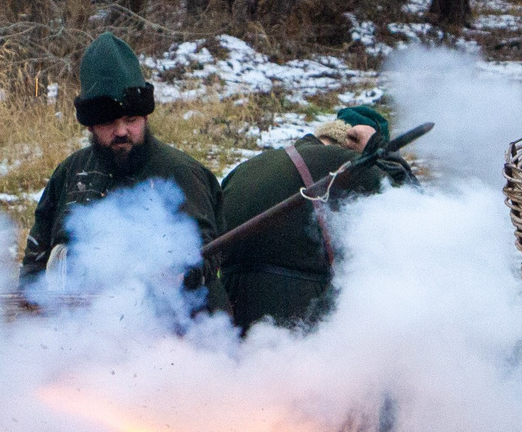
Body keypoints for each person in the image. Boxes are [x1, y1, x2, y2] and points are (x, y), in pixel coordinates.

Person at [20, 33, 223, 299]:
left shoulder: (182, 174)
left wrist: (183, 273)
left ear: (145, 117)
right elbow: (36, 259)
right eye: (108, 123)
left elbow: (211, 251)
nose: (121, 131)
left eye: (131, 119)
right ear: (91, 125)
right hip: (74, 326)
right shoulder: (71, 173)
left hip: (175, 325)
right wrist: (29, 308)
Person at [212, 106, 416, 331]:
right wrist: (383, 155)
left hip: (228, 320)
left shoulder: (246, 168)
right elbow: (414, 212)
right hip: (297, 325)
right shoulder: (348, 164)